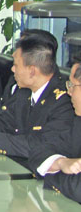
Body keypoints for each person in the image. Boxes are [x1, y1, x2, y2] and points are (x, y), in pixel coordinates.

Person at [0, 35, 73, 162]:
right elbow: (5, 121)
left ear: (32, 71)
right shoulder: (25, 92)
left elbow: (41, 146)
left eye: (16, 65)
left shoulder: (64, 101)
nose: (12, 69)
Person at [30, 61, 81, 203]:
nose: (68, 92)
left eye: (72, 86)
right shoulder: (78, 121)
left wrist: (51, 176)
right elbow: (39, 150)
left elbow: (78, 189)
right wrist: (60, 163)